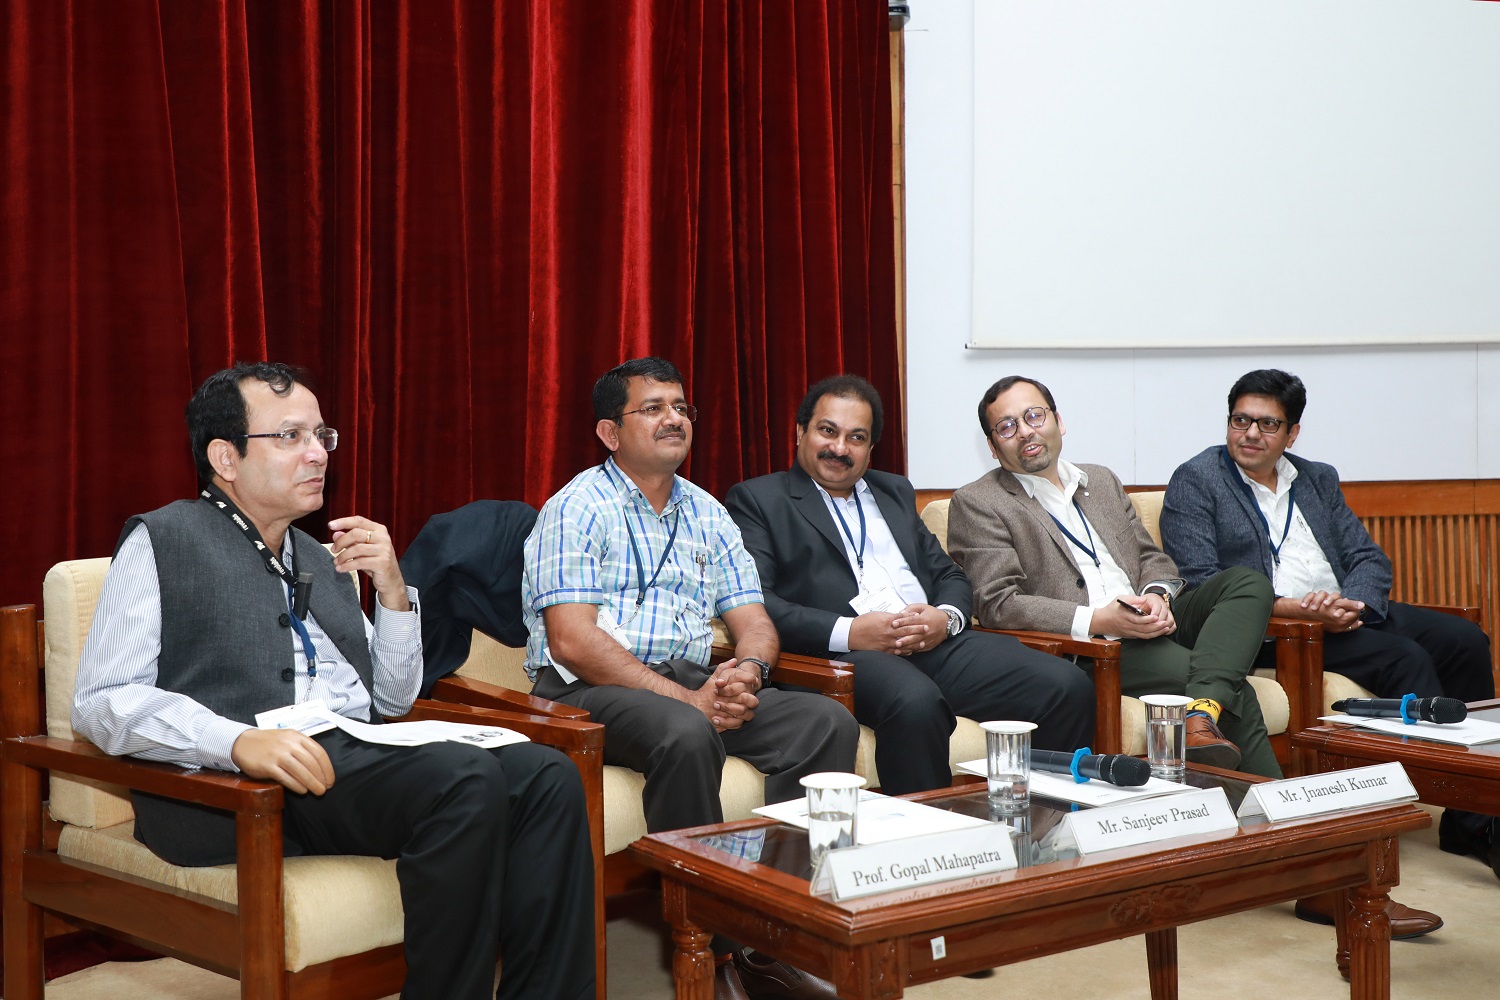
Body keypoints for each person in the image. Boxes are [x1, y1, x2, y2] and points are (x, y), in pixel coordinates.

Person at [72, 362, 594, 1000]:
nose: (317, 453)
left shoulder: (319, 555)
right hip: (234, 784)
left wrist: (395, 591)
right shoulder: (163, 540)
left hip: (348, 753)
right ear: (225, 458)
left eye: (322, 435)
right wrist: (233, 742)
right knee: (466, 780)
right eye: (290, 437)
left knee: (548, 776)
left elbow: (393, 700)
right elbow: (101, 701)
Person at [521, 356, 857, 999]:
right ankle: (715, 951)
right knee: (684, 732)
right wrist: (690, 701)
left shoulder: (707, 512)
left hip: (692, 679)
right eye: (653, 409)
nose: (674, 419)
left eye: (681, 408)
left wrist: (748, 674)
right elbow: (573, 640)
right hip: (587, 689)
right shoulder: (576, 507)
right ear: (610, 434)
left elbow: (754, 622)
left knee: (824, 722)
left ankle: (781, 932)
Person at [1161, 367, 1496, 880]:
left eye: (1267, 425)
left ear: (1292, 433)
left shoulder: (1316, 477)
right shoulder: (1197, 481)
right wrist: (1300, 611)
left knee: (1466, 640)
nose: (1251, 434)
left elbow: (1369, 559)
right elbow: (1202, 584)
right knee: (1405, 658)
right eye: (1240, 420)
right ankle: (1426, 819)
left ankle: (1470, 815)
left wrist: (1352, 605)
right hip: (1276, 629)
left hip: (1343, 611)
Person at [726, 374, 1095, 795]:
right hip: (846, 657)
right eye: (828, 431)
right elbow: (758, 603)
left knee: (1066, 687)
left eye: (857, 437)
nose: (840, 448)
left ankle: (1048, 828)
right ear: (800, 432)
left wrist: (947, 617)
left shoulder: (893, 491)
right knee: (916, 701)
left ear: (870, 448)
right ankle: (929, 847)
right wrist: (852, 631)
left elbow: (949, 575)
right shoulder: (758, 499)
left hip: (934, 643)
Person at [945, 375, 1281, 780]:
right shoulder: (979, 502)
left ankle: (1202, 712)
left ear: (1058, 421)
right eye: (1007, 426)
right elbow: (998, 603)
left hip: (1150, 615)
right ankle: (1271, 810)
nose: (1025, 431)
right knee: (1233, 689)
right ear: (994, 446)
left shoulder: (1099, 480)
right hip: (1093, 643)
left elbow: (1150, 557)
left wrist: (1158, 596)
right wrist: (1099, 619)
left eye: (1034, 415)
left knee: (1247, 582)